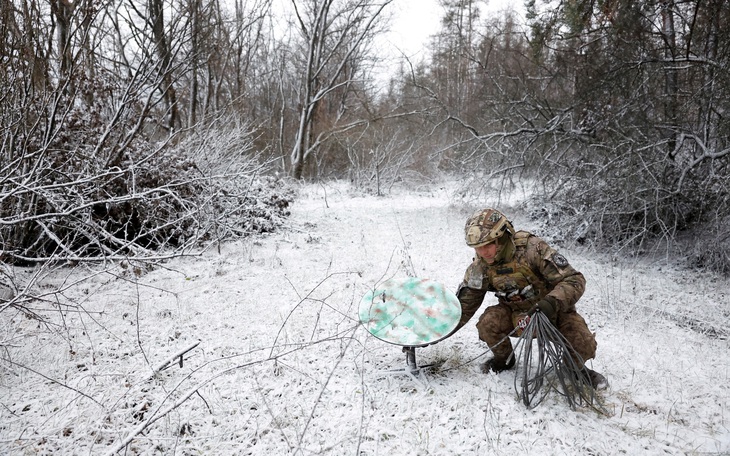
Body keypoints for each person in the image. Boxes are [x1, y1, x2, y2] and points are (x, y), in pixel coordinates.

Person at [454, 208, 608, 390]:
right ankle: (504, 360)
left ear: (502, 237)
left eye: (488, 245)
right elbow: (464, 306)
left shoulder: (532, 249)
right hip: (516, 317)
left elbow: (574, 279)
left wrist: (551, 303)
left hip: (553, 313)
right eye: (478, 248)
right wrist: (433, 333)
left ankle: (575, 370)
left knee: (582, 341)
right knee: (488, 323)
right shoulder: (480, 267)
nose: (483, 252)